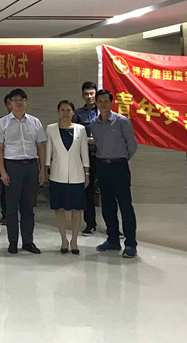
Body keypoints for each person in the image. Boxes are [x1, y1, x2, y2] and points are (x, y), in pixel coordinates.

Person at [0, 88, 47, 255]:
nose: (18, 103)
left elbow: (41, 146)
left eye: (21, 100)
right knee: (11, 208)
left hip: (31, 166)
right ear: (10, 103)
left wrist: (42, 169)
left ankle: (28, 241)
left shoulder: (35, 122)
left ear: (26, 102)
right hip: (12, 166)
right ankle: (12, 241)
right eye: (15, 100)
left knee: (28, 207)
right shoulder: (2, 123)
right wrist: (3, 171)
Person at [90, 89, 138, 259]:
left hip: (119, 166)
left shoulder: (122, 121)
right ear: (96, 103)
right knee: (107, 205)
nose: (103, 104)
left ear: (111, 102)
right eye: (100, 101)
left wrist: (121, 158)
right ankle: (112, 239)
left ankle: (130, 244)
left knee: (125, 205)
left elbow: (132, 146)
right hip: (102, 166)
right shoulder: (94, 124)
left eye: (106, 101)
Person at [46, 100, 89, 254]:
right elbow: (48, 151)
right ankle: (64, 239)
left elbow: (84, 152)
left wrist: (87, 173)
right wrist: (46, 168)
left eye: (68, 110)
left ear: (73, 112)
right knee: (59, 208)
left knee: (77, 209)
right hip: (57, 174)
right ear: (58, 112)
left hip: (77, 175)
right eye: (62, 110)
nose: (65, 113)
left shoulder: (80, 129)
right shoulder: (51, 129)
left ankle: (74, 240)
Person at [73, 81, 100, 236]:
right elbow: (74, 134)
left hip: (103, 155)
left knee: (108, 192)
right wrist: (85, 140)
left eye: (92, 93)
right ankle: (90, 224)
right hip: (86, 157)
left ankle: (113, 226)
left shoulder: (103, 111)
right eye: (86, 94)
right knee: (87, 191)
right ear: (83, 95)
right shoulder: (78, 114)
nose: (89, 96)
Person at [0, 93, 13, 225]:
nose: (12, 105)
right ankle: (6, 214)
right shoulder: (1, 122)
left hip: (22, 161)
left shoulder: (30, 121)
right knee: (5, 189)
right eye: (9, 103)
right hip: (6, 160)